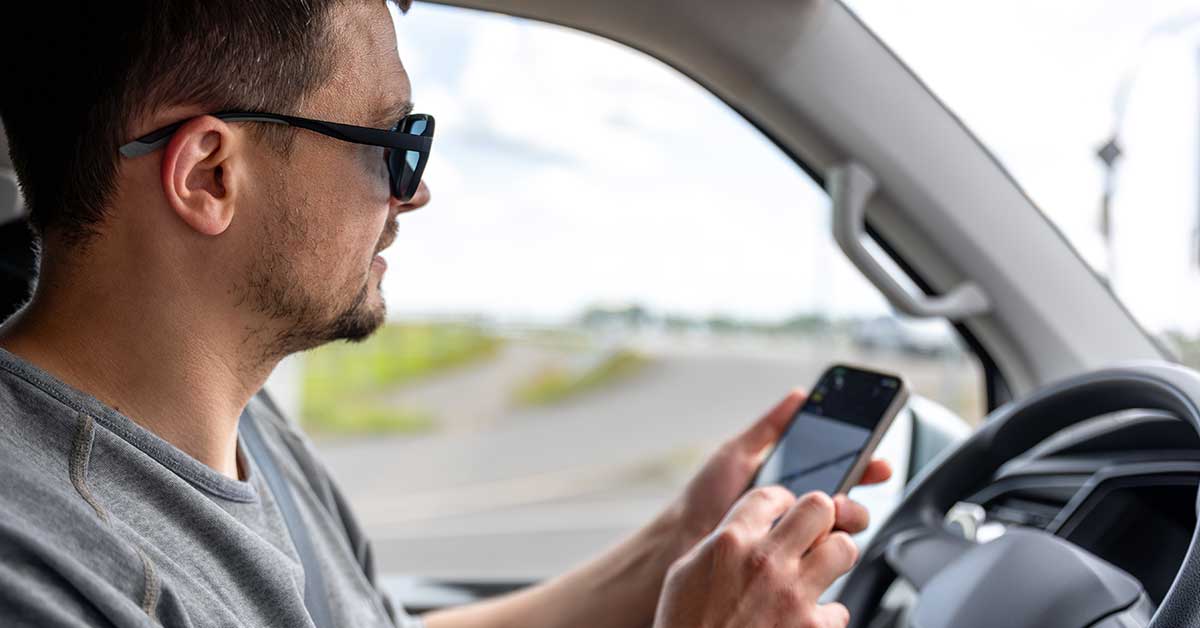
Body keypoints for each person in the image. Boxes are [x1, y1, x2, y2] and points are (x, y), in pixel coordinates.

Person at [0, 1, 892, 626]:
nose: (413, 193)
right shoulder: (46, 570)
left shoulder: (245, 429)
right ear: (209, 176)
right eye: (394, 144)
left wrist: (676, 545)